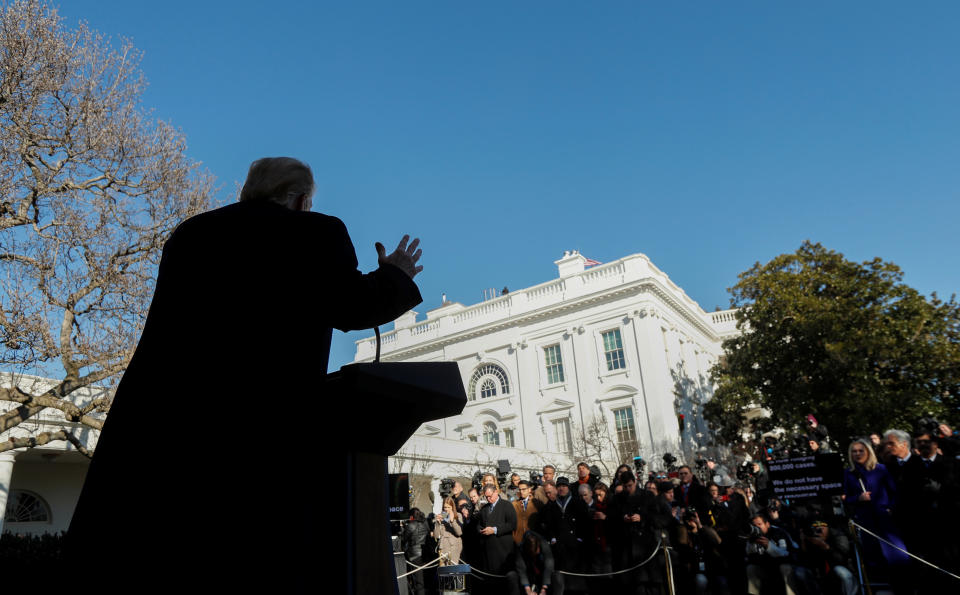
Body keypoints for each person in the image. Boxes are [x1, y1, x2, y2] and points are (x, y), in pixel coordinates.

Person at [64, 157, 423, 592]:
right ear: (300, 198)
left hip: (167, 424)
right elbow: (351, 306)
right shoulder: (315, 232)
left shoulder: (192, 233)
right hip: (261, 435)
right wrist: (394, 276)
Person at [842, 437, 910, 577]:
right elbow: (847, 498)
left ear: (868, 452)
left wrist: (890, 508)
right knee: (874, 556)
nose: (857, 454)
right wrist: (858, 498)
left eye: (861, 451)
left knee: (897, 555)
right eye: (854, 451)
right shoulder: (848, 473)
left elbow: (895, 492)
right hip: (865, 520)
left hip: (884, 517)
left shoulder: (881, 469)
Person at [744, 512, 801, 595]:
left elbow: (785, 554)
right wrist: (752, 543)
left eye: (759, 524)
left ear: (767, 524)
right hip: (766, 567)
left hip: (784, 566)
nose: (757, 527)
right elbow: (749, 555)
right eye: (754, 525)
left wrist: (768, 546)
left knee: (785, 567)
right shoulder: (752, 536)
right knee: (751, 568)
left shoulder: (779, 533)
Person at [478, 483, 518, 589]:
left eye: (490, 496)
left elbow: (512, 524)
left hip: (503, 550)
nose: (488, 499)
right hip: (488, 551)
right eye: (486, 497)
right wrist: (480, 530)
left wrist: (494, 530)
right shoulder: (484, 508)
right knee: (490, 582)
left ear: (496, 492)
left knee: (502, 582)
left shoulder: (507, 505)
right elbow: (479, 524)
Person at [507, 531, 564, 595]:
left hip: (542, 578)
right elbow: (521, 569)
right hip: (528, 578)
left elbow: (549, 566)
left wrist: (544, 588)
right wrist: (527, 589)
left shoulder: (544, 546)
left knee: (558, 576)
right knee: (511, 575)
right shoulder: (520, 548)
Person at [403, 508, 431, 595]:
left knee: (418, 582)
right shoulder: (425, 523)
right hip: (424, 554)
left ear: (411, 516)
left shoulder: (411, 525)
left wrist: (403, 528)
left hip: (414, 556)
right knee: (423, 580)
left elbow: (404, 538)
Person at [434, 498, 464, 565]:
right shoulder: (441, 516)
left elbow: (459, 533)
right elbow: (436, 536)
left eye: (448, 507)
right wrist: (437, 523)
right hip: (443, 547)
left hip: (453, 547)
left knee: (452, 570)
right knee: (443, 572)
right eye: (445, 507)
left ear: (452, 507)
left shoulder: (458, 515)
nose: (446, 509)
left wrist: (452, 521)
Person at [512, 479, 541, 545]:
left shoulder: (537, 503)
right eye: (520, 489)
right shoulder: (514, 504)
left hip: (533, 541)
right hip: (518, 540)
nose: (521, 492)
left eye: (524, 489)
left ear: (529, 489)